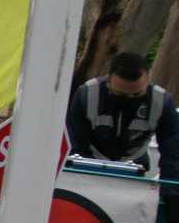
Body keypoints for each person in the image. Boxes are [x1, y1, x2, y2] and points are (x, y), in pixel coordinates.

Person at [67, 51, 179, 192]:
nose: (129, 99)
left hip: (135, 169)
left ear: (148, 81)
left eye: (137, 95)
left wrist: (170, 194)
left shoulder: (162, 102)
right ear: (108, 80)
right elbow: (74, 143)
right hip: (87, 166)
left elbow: (172, 154)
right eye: (119, 94)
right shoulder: (87, 94)